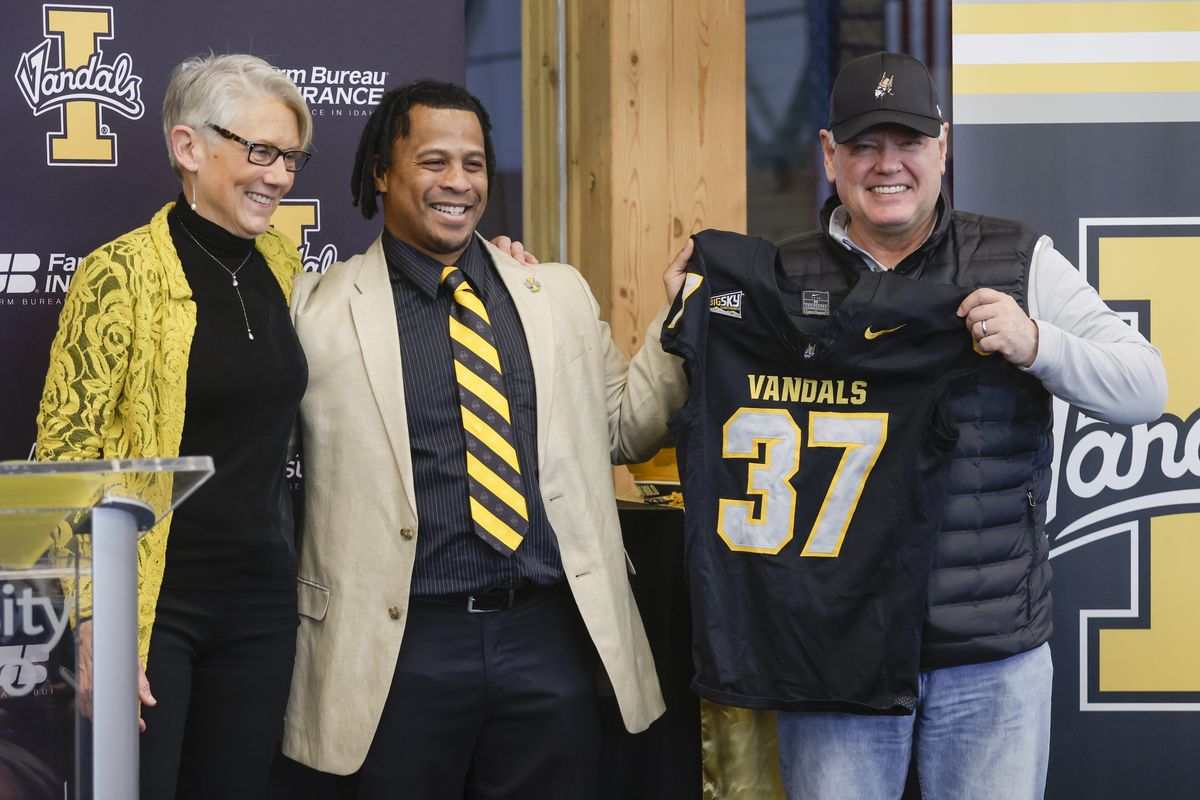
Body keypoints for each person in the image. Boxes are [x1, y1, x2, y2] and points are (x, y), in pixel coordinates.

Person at [758, 51, 1167, 799]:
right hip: (832, 652)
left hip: (990, 660)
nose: (889, 165)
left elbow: (1146, 387)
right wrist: (686, 314)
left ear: (943, 148)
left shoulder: (1017, 259)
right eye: (864, 146)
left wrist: (1037, 342)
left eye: (909, 142)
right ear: (828, 155)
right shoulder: (777, 282)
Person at [281, 79, 688, 798]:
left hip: (546, 639)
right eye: (434, 161)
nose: (458, 182)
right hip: (396, 649)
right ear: (382, 171)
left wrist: (679, 324)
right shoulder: (315, 311)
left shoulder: (554, 293)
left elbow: (626, 428)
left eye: (473, 163)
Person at [35, 53, 314, 798]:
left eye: (290, 157)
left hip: (260, 605)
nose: (280, 176)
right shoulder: (117, 275)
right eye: (260, 152)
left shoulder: (284, 267)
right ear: (189, 148)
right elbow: (65, 464)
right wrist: (97, 628)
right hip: (155, 610)